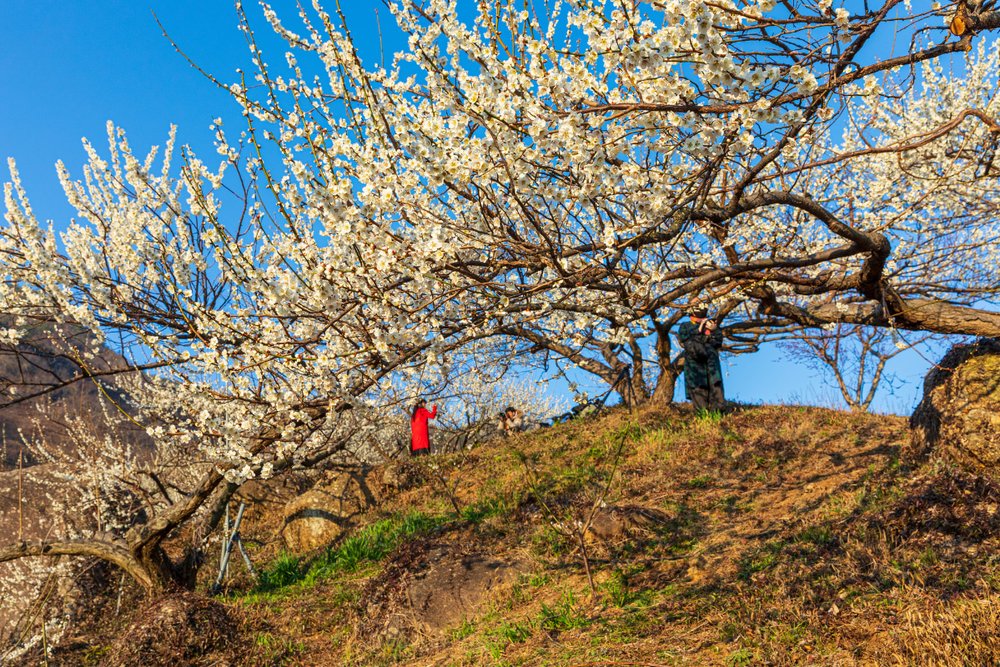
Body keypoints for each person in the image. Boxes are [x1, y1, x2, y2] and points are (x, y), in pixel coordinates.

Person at [678, 306, 725, 412]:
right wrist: (699, 329)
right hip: (695, 365)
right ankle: (703, 417)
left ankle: (717, 415)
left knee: (716, 387)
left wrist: (713, 331)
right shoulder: (685, 326)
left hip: (711, 363)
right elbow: (686, 341)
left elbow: (718, 342)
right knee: (698, 390)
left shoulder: (710, 325)